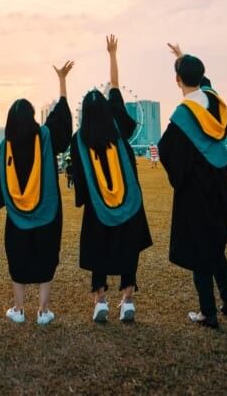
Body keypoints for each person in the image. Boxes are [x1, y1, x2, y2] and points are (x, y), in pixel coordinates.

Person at [69, 36, 153, 324]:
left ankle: (100, 301)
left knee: (98, 252)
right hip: (129, 202)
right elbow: (115, 87)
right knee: (128, 248)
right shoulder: (117, 128)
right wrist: (113, 55)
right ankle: (127, 300)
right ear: (106, 110)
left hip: (97, 207)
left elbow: (77, 177)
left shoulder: (78, 141)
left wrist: (84, 197)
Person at [158, 44, 227, 329]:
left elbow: (167, 150)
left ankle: (208, 312)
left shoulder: (182, 116)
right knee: (215, 244)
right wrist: (182, 58)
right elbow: (204, 83)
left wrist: (179, 180)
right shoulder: (215, 102)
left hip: (196, 186)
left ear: (176, 80)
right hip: (222, 178)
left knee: (199, 247)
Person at [0, 61, 74, 326]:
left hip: (17, 218)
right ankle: (43, 311)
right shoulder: (45, 135)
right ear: (34, 117)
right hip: (48, 212)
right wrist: (62, 82)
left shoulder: (5, 147)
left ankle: (19, 308)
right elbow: (63, 122)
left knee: (19, 258)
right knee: (46, 257)